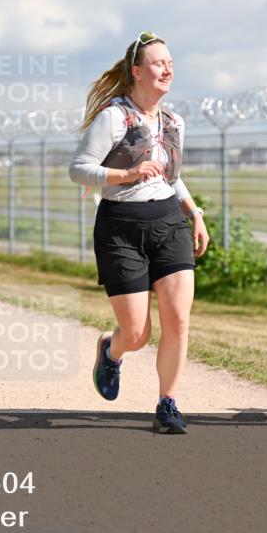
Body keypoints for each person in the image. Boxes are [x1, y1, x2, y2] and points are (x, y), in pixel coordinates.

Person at [69, 31, 210, 434]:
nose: (167, 69)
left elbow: (170, 178)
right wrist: (126, 174)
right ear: (136, 71)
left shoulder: (174, 122)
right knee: (136, 334)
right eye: (158, 63)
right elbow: (78, 169)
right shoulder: (114, 117)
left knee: (178, 321)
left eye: (170, 63)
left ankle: (168, 403)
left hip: (168, 223)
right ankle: (111, 350)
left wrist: (194, 213)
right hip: (121, 227)